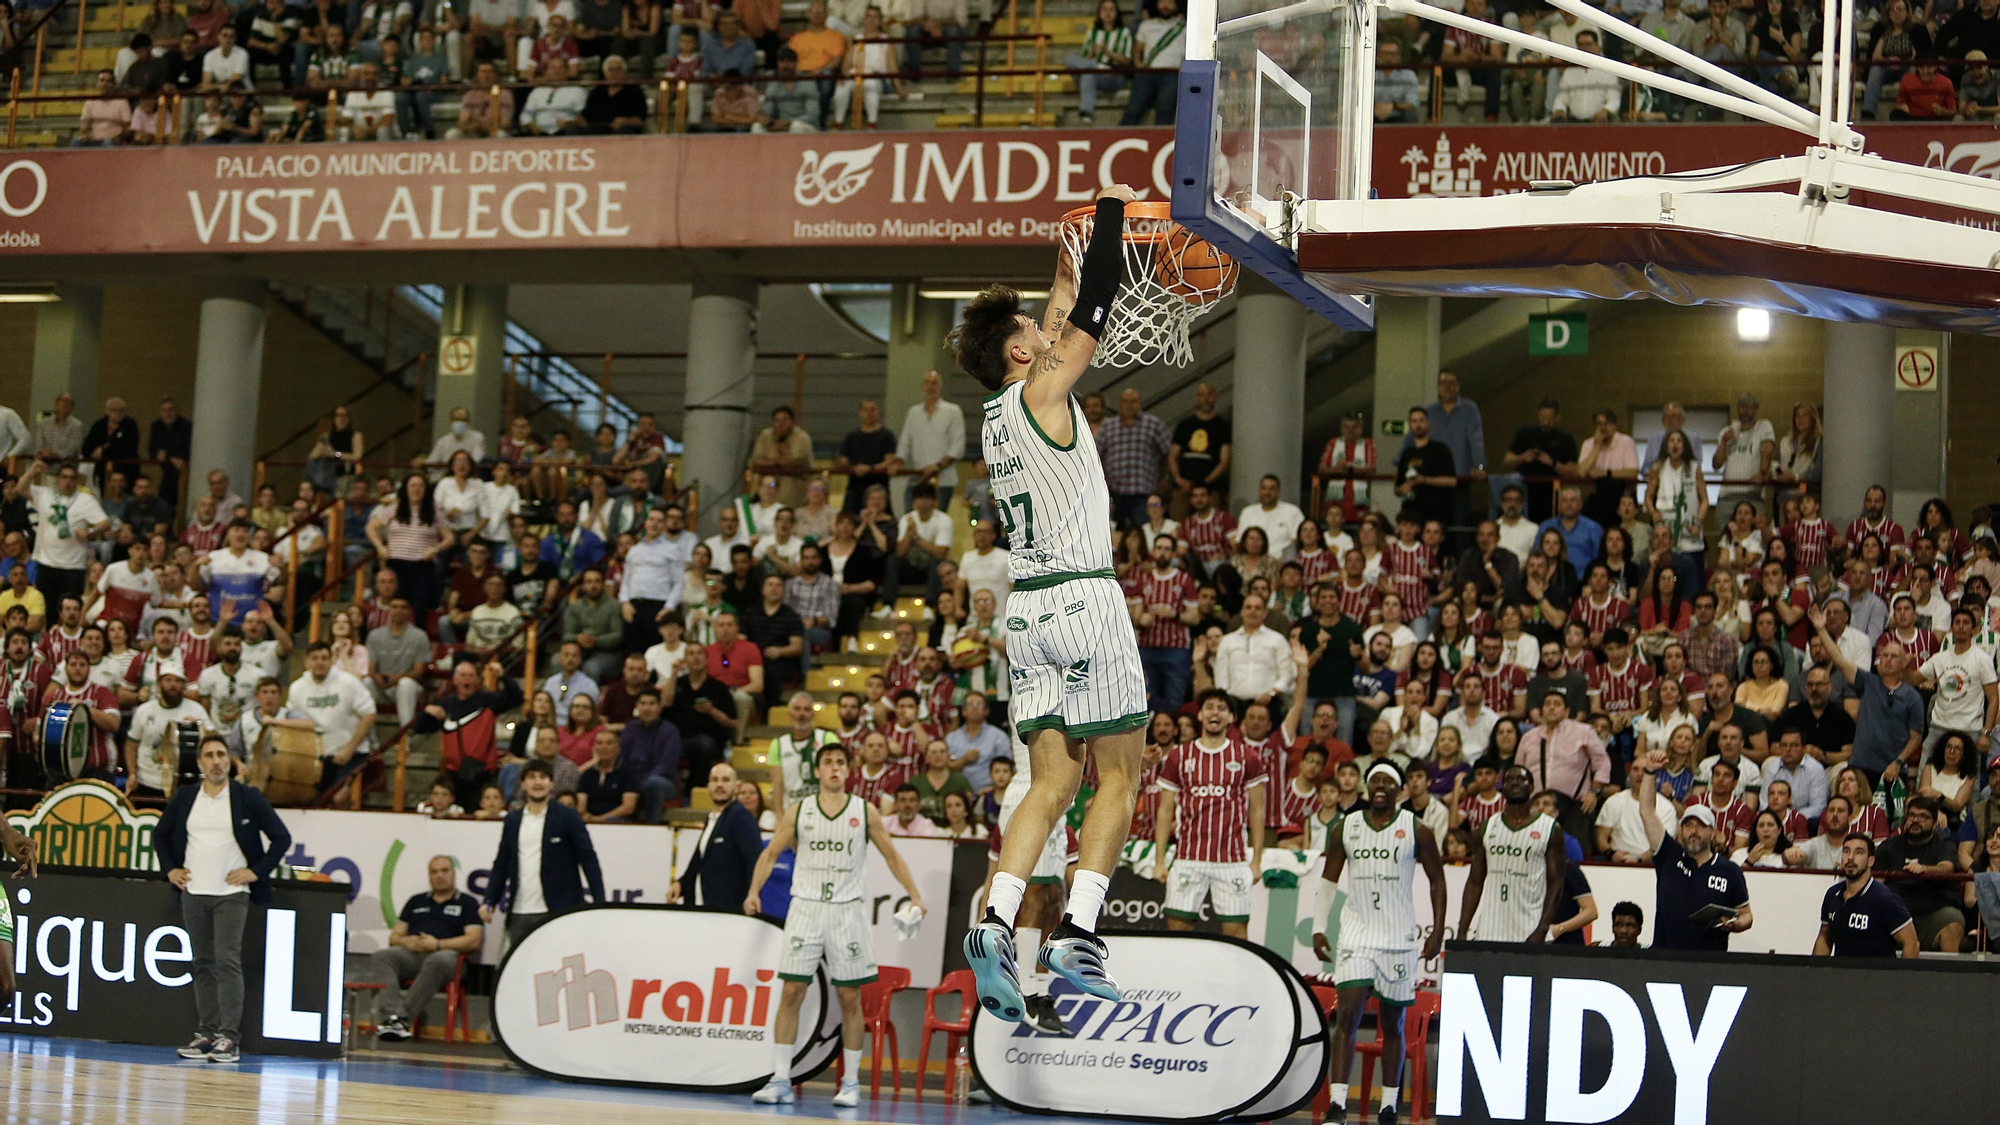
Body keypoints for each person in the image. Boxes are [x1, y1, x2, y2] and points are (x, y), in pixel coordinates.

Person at [951, 183, 1155, 1020]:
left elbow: (1067, 298)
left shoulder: (997, 413)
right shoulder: (1043, 388)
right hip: (1082, 598)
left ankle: (996, 921)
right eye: (1034, 331)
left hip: (1026, 614)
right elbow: (1094, 301)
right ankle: (1077, 931)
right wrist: (1108, 217)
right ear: (1020, 352)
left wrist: (1062, 258)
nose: (1047, 330)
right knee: (1122, 774)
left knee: (1051, 783)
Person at [746, 744, 926, 1108]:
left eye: (840, 762)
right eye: (827, 762)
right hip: (806, 907)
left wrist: (915, 895)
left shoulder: (864, 810)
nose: (834, 767)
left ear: (848, 770)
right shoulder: (800, 810)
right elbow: (770, 853)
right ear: (817, 771)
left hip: (847, 911)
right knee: (791, 991)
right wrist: (753, 891)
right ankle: (780, 1078)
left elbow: (892, 855)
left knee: (849, 996)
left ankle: (850, 1083)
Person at [1310, 761, 1446, 1125]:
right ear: (1368, 787)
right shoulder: (1346, 827)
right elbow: (1328, 880)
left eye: (1388, 781)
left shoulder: (1417, 829)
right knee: (1348, 1015)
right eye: (1375, 780)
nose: (1381, 786)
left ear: (1400, 790)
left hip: (1398, 937)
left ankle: (1389, 1107)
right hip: (1356, 934)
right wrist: (1319, 927)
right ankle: (1338, 1105)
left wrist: (1437, 930)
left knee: (1393, 1024)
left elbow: (1437, 880)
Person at [155, 737, 291, 1064]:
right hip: (193, 892)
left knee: (227, 960)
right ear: (199, 763)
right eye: (209, 755)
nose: (216, 761)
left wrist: (255, 872)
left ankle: (229, 1037)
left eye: (221, 755)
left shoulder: (247, 797)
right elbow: (160, 834)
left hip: (231, 894)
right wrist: (170, 869)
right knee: (202, 962)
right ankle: (207, 1033)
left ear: (229, 761)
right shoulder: (186, 796)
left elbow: (281, 837)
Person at [1153, 690, 1268, 939]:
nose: (1215, 712)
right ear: (1200, 715)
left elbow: (1258, 811)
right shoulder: (1179, 756)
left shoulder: (1247, 757)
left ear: (1231, 718)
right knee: (1177, 933)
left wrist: (1257, 860)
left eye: (1221, 708)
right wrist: (1159, 860)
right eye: (1209, 707)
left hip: (1232, 860)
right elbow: (1165, 811)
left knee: (1236, 935)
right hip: (1188, 857)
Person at [1634, 744, 1753, 950]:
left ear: (1712, 832)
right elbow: (1646, 811)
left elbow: (1746, 916)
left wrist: (1734, 924)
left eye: (1700, 826)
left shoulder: (1730, 871)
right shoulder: (1669, 855)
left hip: (1709, 961)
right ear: (1680, 830)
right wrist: (1650, 772)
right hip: (1664, 958)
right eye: (1688, 825)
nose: (1693, 831)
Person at [480, 760, 605, 947]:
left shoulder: (568, 816)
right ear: (523, 784)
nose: (537, 782)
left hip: (559, 911)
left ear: (551, 783)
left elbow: (589, 860)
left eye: (543, 777)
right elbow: (502, 863)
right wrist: (489, 900)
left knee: (560, 961)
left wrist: (600, 901)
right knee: (521, 962)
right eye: (531, 777)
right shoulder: (513, 820)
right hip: (520, 911)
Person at [365, 855, 485, 1040]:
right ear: (429, 876)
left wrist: (437, 944)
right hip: (414, 954)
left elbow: (474, 940)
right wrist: (407, 941)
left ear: (454, 874)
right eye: (434, 872)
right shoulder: (416, 901)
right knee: (382, 956)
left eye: (444, 871)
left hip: (449, 958)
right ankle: (394, 1016)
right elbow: (394, 937)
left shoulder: (467, 902)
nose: (439, 876)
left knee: (438, 959)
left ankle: (400, 1020)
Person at [1875, 795, 1964, 951]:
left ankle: (1949, 967)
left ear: (1935, 824)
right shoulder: (1889, 846)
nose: (1916, 820)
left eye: (1923, 817)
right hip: (1895, 915)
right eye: (1912, 815)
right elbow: (1877, 882)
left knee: (1952, 918)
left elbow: (1946, 868)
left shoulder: (1944, 846)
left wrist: (1925, 869)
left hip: (1931, 915)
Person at [670, 763, 762, 907]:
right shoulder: (712, 819)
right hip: (707, 906)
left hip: (730, 908)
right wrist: (681, 884)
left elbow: (755, 861)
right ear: (708, 785)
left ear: (736, 787)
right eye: (715, 780)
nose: (719, 785)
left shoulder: (741, 817)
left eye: (726, 780)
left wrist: (752, 894)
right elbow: (700, 861)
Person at [1815, 833, 1920, 957]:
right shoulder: (1832, 894)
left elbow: (1911, 943)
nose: (1850, 858)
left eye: (1858, 852)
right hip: (1841, 968)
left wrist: (1902, 970)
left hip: (1875, 969)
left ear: (1871, 861)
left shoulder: (1885, 899)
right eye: (1846, 851)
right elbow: (1825, 936)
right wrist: (1814, 968)